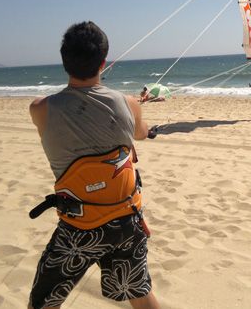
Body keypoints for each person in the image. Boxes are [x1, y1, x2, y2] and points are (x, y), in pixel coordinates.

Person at [28, 21, 160, 309]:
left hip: (79, 228)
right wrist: (143, 121)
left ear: (64, 63)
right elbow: (140, 132)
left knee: (42, 302)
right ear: (103, 62)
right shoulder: (129, 104)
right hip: (127, 221)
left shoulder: (40, 109)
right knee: (138, 290)